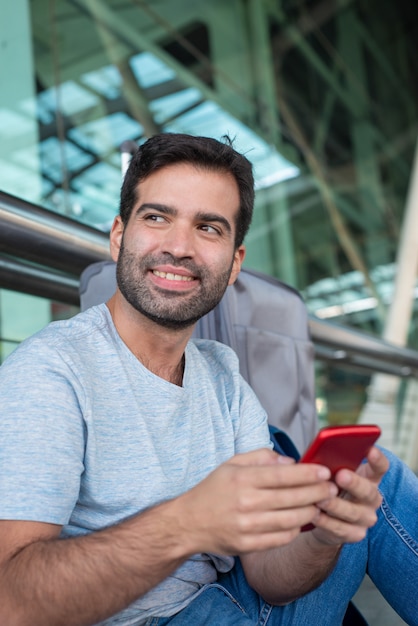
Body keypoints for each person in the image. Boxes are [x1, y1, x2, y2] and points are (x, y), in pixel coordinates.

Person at [0, 133, 416, 626]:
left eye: (209, 228)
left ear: (235, 262)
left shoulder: (222, 375)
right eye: (157, 217)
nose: (179, 247)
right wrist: (188, 523)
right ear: (118, 236)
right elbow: (12, 603)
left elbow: (269, 574)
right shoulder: (50, 371)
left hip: (230, 598)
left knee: (371, 478)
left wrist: (323, 536)